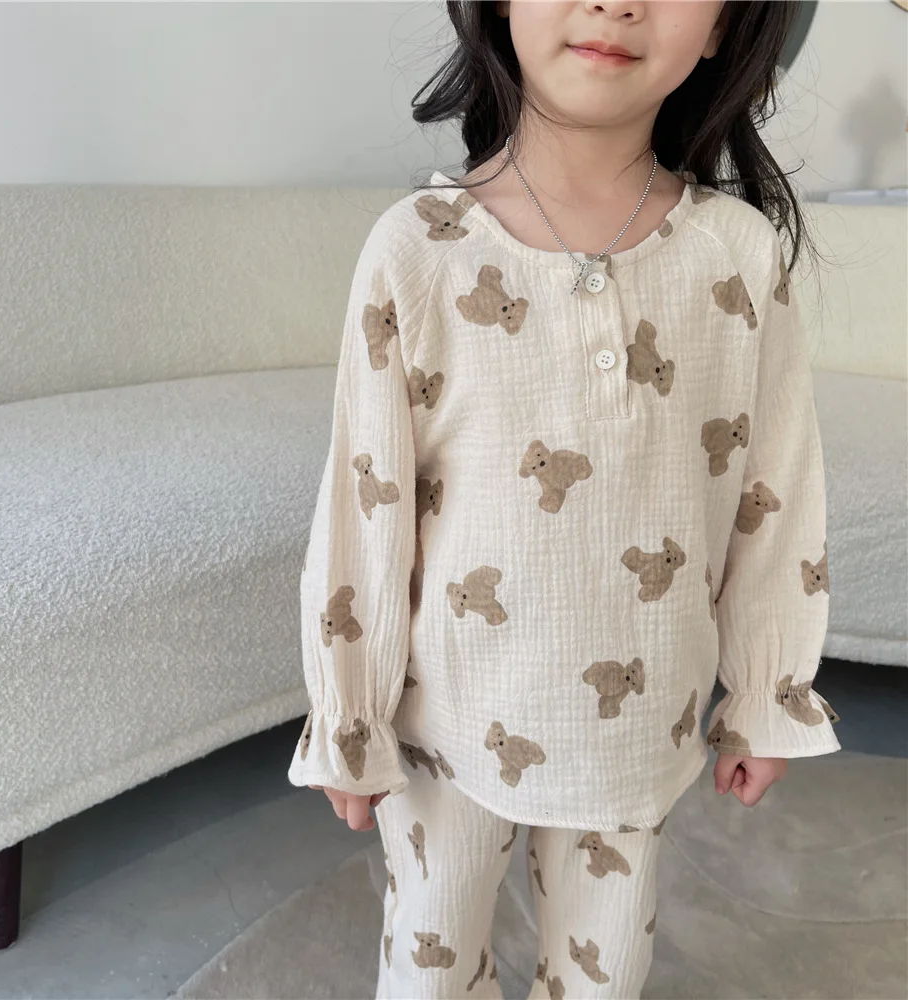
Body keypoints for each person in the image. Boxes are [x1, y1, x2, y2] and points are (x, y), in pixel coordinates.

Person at [288, 2, 841, 997]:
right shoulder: (418, 249)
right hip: (444, 724)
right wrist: (350, 709)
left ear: (724, 24)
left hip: (637, 727)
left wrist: (769, 693)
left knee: (605, 978)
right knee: (427, 969)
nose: (616, 2)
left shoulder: (737, 255)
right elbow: (365, 507)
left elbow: (776, 495)